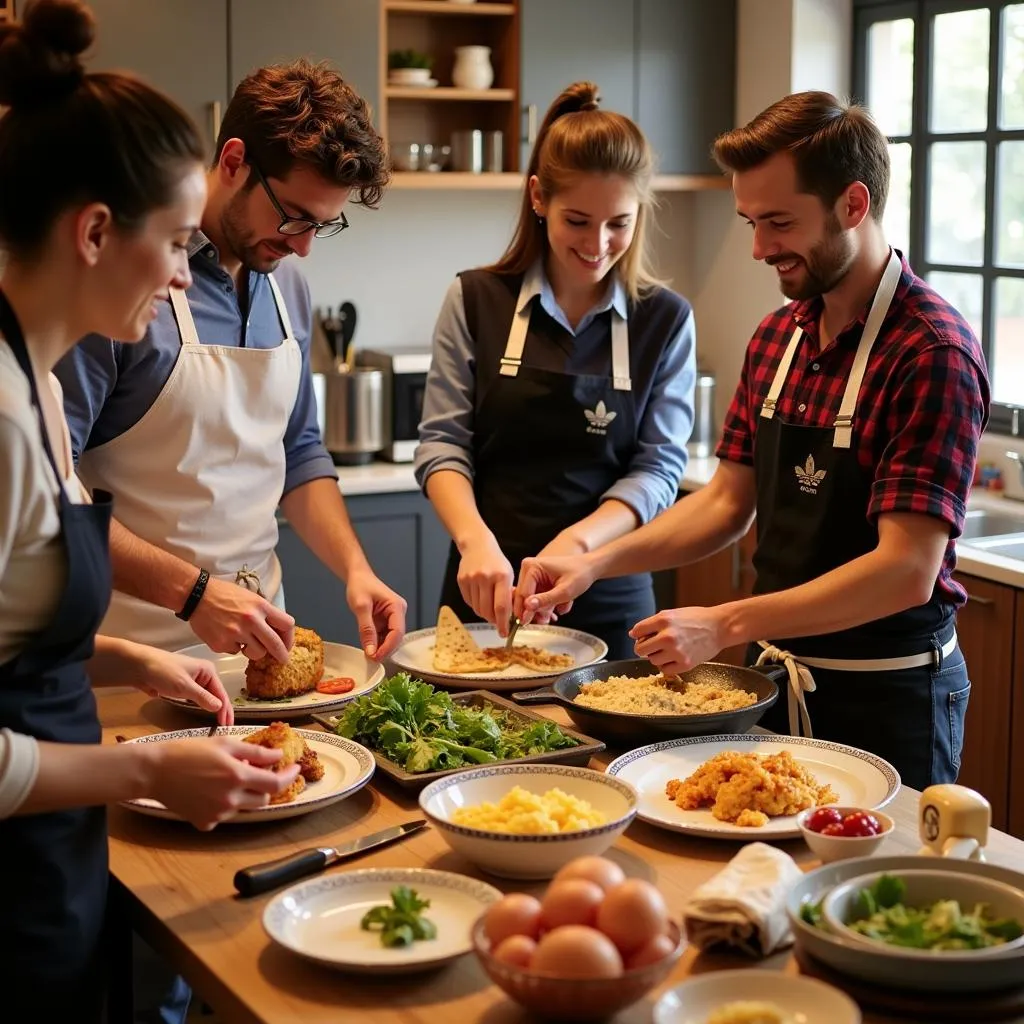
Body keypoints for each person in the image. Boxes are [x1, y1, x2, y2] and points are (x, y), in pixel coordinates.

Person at [516, 91, 990, 791]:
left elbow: (905, 570)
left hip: (888, 697)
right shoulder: (780, 336)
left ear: (853, 205)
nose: (760, 247)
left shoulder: (931, 351)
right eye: (750, 220)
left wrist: (722, 621)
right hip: (773, 685)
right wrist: (595, 564)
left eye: (778, 222)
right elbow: (724, 505)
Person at [0, 2, 300, 1019]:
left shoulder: (34, 385)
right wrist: (143, 769)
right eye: (174, 242)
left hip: (52, 865)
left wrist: (126, 660)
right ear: (93, 233)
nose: (184, 272)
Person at [55, 57, 406, 664]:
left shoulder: (286, 284)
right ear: (234, 160)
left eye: (323, 226)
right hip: (126, 654)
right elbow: (53, 496)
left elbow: (299, 452)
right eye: (294, 216)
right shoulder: (124, 285)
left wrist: (356, 569)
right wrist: (194, 596)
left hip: (258, 652)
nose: (301, 246)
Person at [415, 81, 696, 660]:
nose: (599, 244)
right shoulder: (475, 299)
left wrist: (578, 548)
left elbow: (659, 466)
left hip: (611, 593)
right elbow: (442, 444)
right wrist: (475, 542)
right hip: (485, 586)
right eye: (578, 220)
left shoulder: (664, 320)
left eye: (619, 222)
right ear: (539, 198)